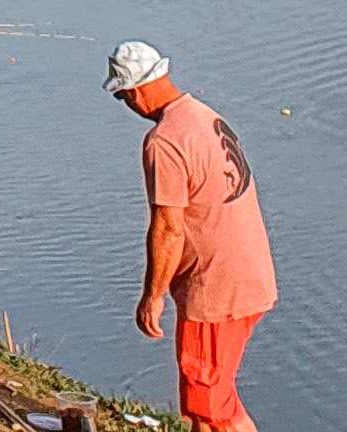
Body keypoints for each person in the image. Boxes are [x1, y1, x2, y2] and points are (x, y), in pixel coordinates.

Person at [105, 41, 277, 432]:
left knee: (214, 408)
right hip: (250, 276)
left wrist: (152, 297)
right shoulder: (205, 116)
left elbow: (168, 228)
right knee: (204, 405)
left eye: (121, 97)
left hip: (215, 291)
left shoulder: (164, 141)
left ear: (133, 91)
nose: (125, 105)